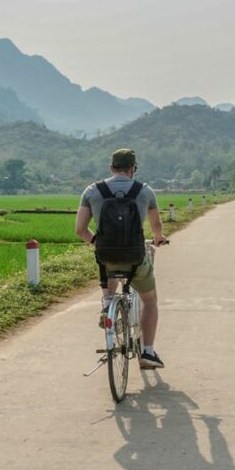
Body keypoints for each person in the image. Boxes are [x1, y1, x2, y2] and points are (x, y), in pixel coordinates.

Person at [75, 148, 168, 369]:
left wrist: (97, 242)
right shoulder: (145, 191)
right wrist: (159, 239)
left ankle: (108, 304)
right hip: (136, 256)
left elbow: (80, 229)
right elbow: (157, 228)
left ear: (111, 168)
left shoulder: (92, 190)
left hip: (106, 256)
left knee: (109, 264)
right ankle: (148, 352)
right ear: (133, 169)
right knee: (150, 301)